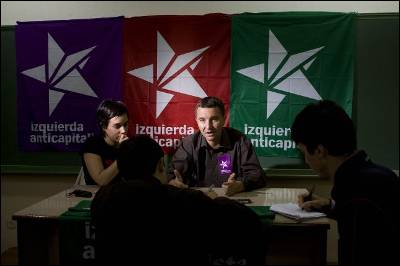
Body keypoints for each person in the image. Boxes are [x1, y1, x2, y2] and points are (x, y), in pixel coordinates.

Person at [91, 135, 267, 265]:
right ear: (161, 165)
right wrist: (214, 200)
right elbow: (247, 221)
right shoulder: (180, 199)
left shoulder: (102, 198)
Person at [291, 100, 399, 265]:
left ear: (319, 151)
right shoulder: (379, 175)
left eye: (303, 151)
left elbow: (357, 254)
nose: (305, 160)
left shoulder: (354, 188)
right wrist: (330, 205)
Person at [168, 96, 266, 196]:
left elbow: (258, 176)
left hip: (231, 201)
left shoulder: (240, 141)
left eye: (214, 119)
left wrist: (241, 185)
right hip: (198, 201)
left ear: (224, 119)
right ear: (196, 121)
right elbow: (172, 174)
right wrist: (172, 182)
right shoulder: (189, 143)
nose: (208, 127)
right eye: (202, 120)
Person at [80, 100, 129, 185]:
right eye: (117, 126)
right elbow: (102, 181)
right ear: (103, 126)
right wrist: (123, 153)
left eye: (125, 124)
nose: (123, 130)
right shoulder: (93, 145)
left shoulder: (129, 144)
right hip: (98, 195)